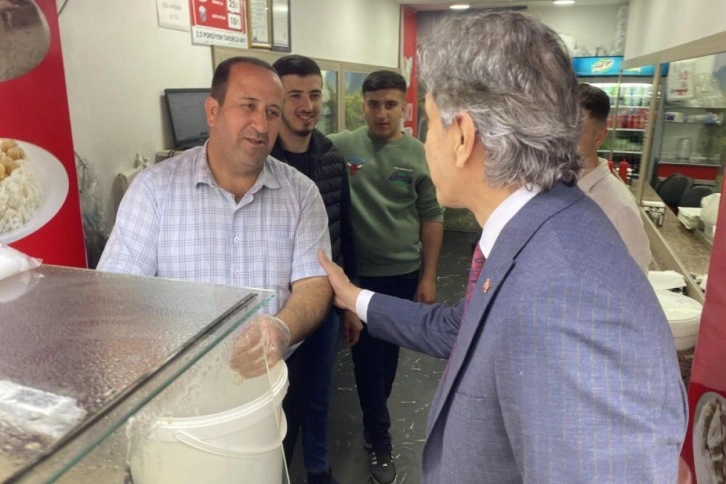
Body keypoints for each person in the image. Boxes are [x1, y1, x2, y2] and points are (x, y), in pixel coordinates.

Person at [318, 11, 687, 484]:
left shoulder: (567, 297)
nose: (424, 142)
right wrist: (353, 296)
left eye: (429, 123)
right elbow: (464, 328)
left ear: (463, 137)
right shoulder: (540, 229)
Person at [98, 56, 332, 386]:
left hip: (270, 376)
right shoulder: (154, 190)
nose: (261, 125)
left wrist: (282, 328)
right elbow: (115, 295)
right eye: (248, 106)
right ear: (212, 111)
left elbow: (314, 284)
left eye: (272, 112)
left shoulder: (302, 194)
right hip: (177, 383)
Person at [328, 70, 444, 484]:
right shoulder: (343, 146)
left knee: (387, 360)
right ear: (363, 106)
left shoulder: (419, 154)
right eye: (374, 105)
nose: (382, 113)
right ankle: (379, 437)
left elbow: (431, 217)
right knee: (366, 359)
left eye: (390, 105)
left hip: (401, 274)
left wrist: (428, 277)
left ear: (404, 107)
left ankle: (375, 418)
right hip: (357, 278)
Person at [270, 54, 357, 484]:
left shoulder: (330, 156)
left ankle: (318, 470)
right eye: (295, 96)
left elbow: (346, 231)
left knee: (319, 395)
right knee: (276, 399)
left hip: (322, 302)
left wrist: (350, 303)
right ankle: (276, 471)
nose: (307, 106)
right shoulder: (261, 157)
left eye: (315, 95)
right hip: (273, 303)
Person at [578, 83, 652, 272]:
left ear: (599, 137)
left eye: (576, 130)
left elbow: (636, 277)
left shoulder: (618, 208)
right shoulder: (563, 188)